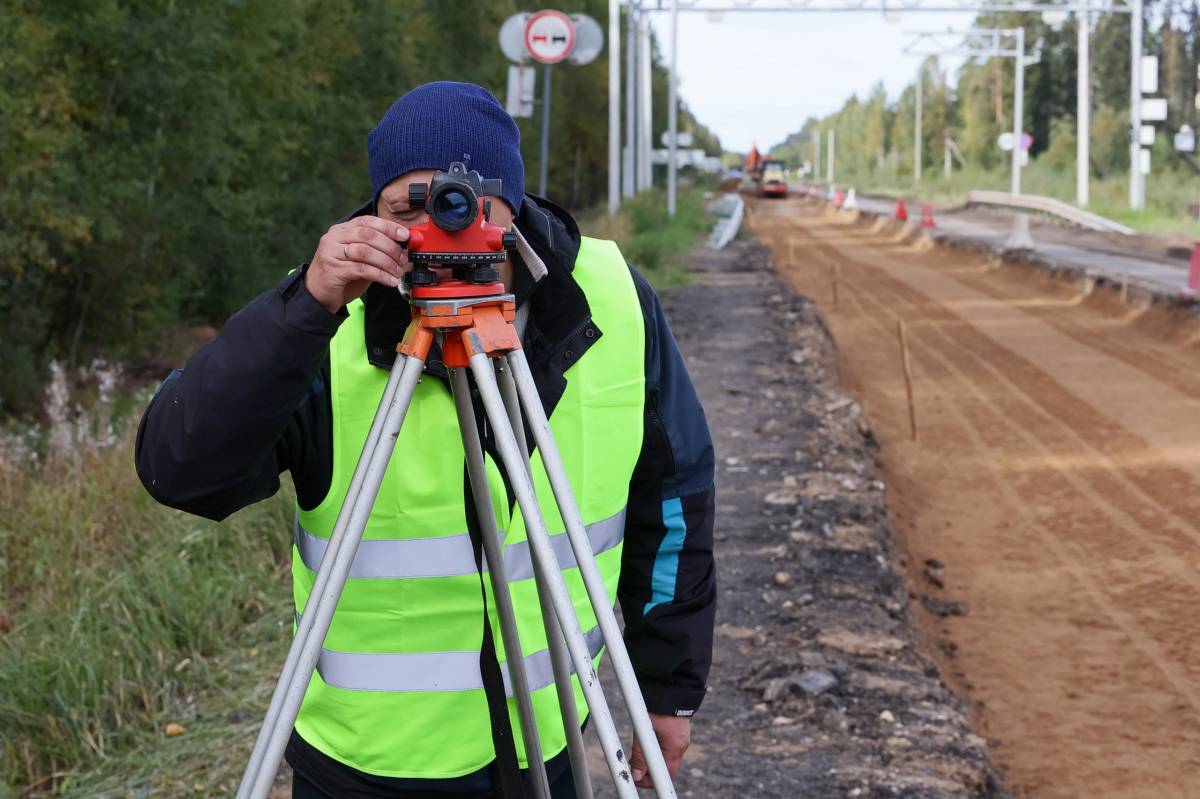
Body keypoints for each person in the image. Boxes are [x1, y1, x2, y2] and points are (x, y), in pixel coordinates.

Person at [135, 81, 715, 798]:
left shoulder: (611, 295)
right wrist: (305, 308)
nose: (434, 234)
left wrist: (668, 688)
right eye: (406, 209)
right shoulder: (324, 315)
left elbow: (675, 492)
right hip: (368, 763)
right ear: (373, 212)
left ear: (513, 208)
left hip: (551, 737)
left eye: (460, 204)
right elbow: (178, 468)